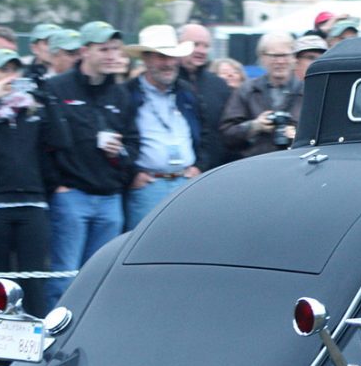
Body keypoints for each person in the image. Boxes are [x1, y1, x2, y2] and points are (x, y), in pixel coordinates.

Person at [0, 48, 70, 319]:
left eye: (15, 70)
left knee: (33, 278)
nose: (11, 76)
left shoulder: (30, 112)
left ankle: (33, 346)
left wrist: (48, 98)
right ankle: (1, 354)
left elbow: (60, 141)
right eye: (3, 70)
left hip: (31, 203)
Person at [44, 21, 140, 308]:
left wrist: (121, 154)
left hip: (110, 198)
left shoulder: (121, 94)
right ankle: (54, 344)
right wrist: (55, 185)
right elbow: (42, 142)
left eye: (115, 49)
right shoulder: (56, 88)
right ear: (85, 51)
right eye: (104, 49)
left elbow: (134, 143)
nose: (112, 55)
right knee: (64, 275)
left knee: (100, 278)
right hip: (71, 195)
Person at [123, 26, 213, 229]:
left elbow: (205, 134)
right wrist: (131, 174)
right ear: (146, 59)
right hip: (148, 185)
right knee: (141, 250)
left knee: (184, 243)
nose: (168, 63)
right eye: (161, 57)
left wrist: (200, 166)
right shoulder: (127, 94)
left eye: (172, 57)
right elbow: (121, 138)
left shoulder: (187, 93)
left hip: (185, 182)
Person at [220, 32, 304, 159]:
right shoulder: (247, 90)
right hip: (256, 164)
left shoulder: (308, 91)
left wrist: (298, 135)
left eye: (285, 55)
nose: (280, 61)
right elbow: (227, 134)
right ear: (262, 58)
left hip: (297, 163)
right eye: (274, 56)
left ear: (294, 58)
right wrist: (254, 126)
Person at [176, 24, 231, 170]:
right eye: (195, 44)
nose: (201, 50)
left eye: (206, 46)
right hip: (179, 171)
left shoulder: (219, 85)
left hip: (215, 169)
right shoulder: (166, 84)